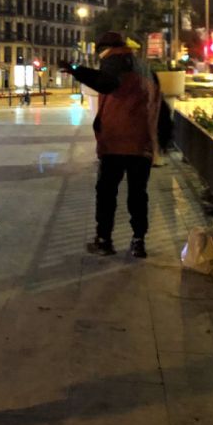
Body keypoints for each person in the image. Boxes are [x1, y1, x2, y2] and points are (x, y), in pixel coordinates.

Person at [60, 31, 161, 258]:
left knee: (106, 193)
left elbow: (105, 83)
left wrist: (76, 70)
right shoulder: (145, 69)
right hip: (141, 144)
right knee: (138, 194)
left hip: (115, 142)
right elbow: (159, 108)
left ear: (103, 49)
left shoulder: (113, 61)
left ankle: (104, 239)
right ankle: (138, 241)